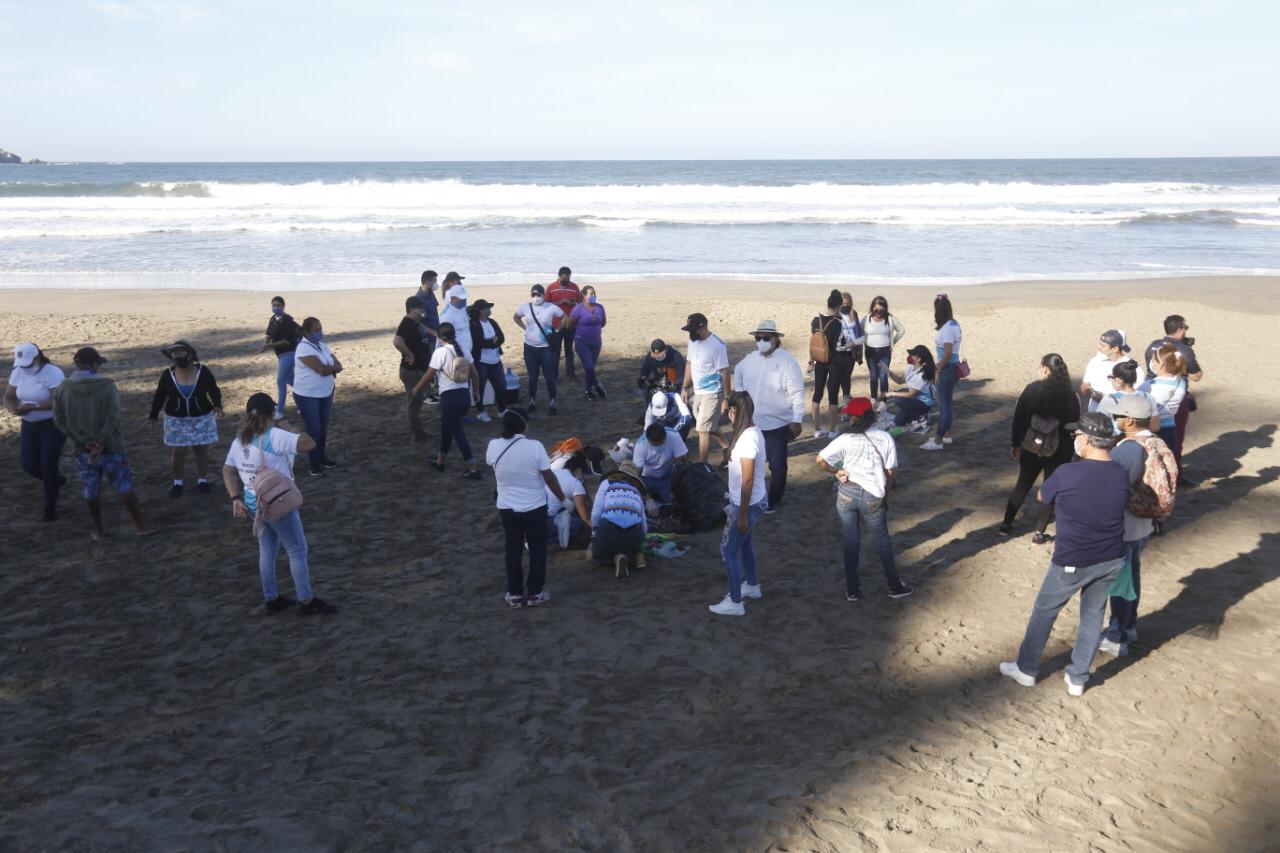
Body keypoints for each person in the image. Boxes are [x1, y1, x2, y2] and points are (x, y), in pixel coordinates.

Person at [999, 411, 1130, 697]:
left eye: (1076, 435)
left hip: (1073, 558)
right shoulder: (1121, 473)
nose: (1074, 439)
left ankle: (1026, 669)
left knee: (1044, 611)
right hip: (1111, 557)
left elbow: (1042, 496)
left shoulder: (1068, 472)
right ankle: (1078, 677)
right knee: (1093, 615)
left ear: (1087, 439)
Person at [221, 392, 336, 616]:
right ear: (271, 413)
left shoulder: (240, 440)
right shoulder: (275, 436)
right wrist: (288, 426)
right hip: (277, 502)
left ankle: (271, 598)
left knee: (267, 550)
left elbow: (228, 470)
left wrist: (235, 498)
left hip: (254, 502)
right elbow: (310, 443)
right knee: (297, 549)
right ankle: (306, 600)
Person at [816, 397, 913, 601]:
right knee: (882, 541)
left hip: (847, 493)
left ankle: (852, 590)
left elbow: (820, 459)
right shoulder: (885, 438)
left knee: (851, 541)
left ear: (853, 418)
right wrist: (887, 498)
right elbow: (890, 473)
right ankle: (894, 586)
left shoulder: (845, 438)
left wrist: (836, 472)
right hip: (873, 496)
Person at [52, 347, 153, 539]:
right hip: (111, 446)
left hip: (82, 450)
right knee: (124, 485)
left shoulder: (63, 387)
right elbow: (112, 416)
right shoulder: (107, 385)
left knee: (91, 490)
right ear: (94, 364)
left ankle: (98, 530)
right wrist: (100, 442)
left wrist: (82, 442)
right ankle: (140, 527)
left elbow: (58, 419)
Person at [1098, 395, 1165, 657]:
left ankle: (1117, 636)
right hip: (1143, 523)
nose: (1114, 420)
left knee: (1121, 583)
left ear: (1128, 420)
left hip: (1124, 526)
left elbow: (1109, 488)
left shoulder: (1126, 451)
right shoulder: (1154, 442)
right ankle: (1129, 626)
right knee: (1132, 576)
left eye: (1117, 416)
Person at [487, 409, 567, 607]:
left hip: (507, 507)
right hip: (535, 506)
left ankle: (514, 593)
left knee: (512, 548)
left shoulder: (493, 446)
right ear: (524, 425)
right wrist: (563, 499)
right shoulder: (535, 446)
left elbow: (494, 467)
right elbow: (549, 478)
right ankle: (535, 593)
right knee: (538, 548)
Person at [999, 354, 1081, 541]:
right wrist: (1071, 451)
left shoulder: (1030, 390)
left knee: (1022, 484)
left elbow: (1019, 419)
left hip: (1031, 446)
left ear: (1045, 369)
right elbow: (1074, 425)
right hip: (1060, 449)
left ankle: (1006, 525)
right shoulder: (1071, 395)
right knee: (1050, 489)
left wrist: (1015, 443)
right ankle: (1039, 532)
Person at [732, 319, 805, 512]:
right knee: (750, 463)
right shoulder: (749, 360)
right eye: (758, 338)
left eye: (765, 338)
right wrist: (740, 396)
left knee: (777, 465)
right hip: (751, 424)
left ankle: (774, 500)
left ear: (775, 339)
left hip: (777, 424)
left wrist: (797, 419)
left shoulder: (788, 362)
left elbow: (797, 392)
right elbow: (737, 371)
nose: (761, 341)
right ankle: (752, 496)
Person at [709, 391, 767, 616]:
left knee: (729, 550)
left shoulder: (748, 439)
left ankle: (735, 602)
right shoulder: (751, 431)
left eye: (729, 411)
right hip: (752, 501)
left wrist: (741, 515)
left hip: (747, 505)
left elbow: (747, 479)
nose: (727, 415)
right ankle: (752, 585)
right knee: (744, 544)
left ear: (735, 410)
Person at [148, 339, 223, 497]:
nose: (177, 356)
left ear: (190, 354)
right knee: (178, 451)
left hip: (202, 417)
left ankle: (202, 480)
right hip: (176, 419)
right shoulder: (168, 374)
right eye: (174, 353)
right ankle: (178, 483)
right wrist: (153, 416)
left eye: (180, 352)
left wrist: (217, 405)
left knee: (201, 449)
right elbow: (159, 396)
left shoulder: (203, 371)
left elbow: (213, 390)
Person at [5, 343, 67, 521]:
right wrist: (13, 408)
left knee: (48, 464)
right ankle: (55, 481)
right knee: (28, 464)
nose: (25, 368)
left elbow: (59, 401)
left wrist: (34, 407)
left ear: (37, 357)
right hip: (29, 424)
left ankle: (50, 507)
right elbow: (9, 396)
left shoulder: (53, 372)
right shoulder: (18, 371)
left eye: (28, 363)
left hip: (53, 424)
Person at [414, 322, 480, 479]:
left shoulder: (440, 352)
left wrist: (417, 388)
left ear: (439, 337)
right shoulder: (462, 349)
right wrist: (476, 392)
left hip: (449, 399)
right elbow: (475, 374)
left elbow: (428, 376)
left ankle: (473, 469)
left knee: (458, 433)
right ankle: (440, 461)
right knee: (446, 427)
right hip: (464, 397)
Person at [1144, 315, 1203, 485]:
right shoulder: (1184, 350)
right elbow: (1197, 376)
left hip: (1151, 393)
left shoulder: (1153, 346)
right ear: (1180, 330)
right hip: (1175, 394)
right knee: (1176, 440)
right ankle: (1174, 476)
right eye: (1185, 328)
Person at [293, 317, 342, 477]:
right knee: (314, 429)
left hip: (326, 392)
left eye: (321, 329)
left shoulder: (322, 346)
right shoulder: (303, 348)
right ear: (307, 332)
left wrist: (331, 368)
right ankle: (314, 464)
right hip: (308, 395)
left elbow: (339, 365)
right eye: (316, 330)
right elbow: (322, 370)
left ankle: (321, 457)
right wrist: (332, 368)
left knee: (323, 428)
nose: (320, 333)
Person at [681, 312, 731, 464]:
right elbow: (689, 364)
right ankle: (728, 448)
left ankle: (702, 465)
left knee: (702, 429)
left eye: (693, 330)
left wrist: (726, 398)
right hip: (697, 392)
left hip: (713, 392)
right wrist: (684, 387)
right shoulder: (693, 341)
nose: (690, 333)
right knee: (706, 425)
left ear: (703, 327)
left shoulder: (717, 345)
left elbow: (725, 372)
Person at [589, 461, 648, 578]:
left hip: (610, 531)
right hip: (634, 536)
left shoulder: (606, 483)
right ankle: (637, 554)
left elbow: (596, 514)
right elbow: (644, 525)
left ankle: (616, 558)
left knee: (597, 554)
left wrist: (595, 532)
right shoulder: (636, 490)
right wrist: (639, 542)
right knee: (629, 540)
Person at [513, 284, 563, 415]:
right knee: (532, 376)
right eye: (533, 294)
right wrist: (525, 328)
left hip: (546, 349)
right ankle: (532, 402)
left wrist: (556, 331)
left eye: (538, 294)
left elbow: (564, 318)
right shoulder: (525, 307)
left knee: (549, 376)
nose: (536, 297)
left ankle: (552, 402)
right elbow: (516, 317)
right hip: (530, 348)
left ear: (543, 295)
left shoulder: (551, 307)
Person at [922, 294, 962, 451]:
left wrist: (938, 370)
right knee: (947, 404)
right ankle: (947, 434)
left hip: (946, 368)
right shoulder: (954, 324)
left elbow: (947, 353)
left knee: (944, 406)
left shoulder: (947, 329)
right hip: (952, 368)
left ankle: (938, 440)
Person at [1140, 345, 1188, 462]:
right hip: (1170, 430)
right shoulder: (1181, 383)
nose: (1151, 363)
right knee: (1167, 463)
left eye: (1153, 360)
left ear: (1161, 365)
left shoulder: (1149, 385)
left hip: (1151, 431)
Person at [393, 296, 431, 441]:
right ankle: (416, 433)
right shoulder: (407, 323)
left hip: (418, 369)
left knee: (418, 400)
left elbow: (424, 331)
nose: (422, 310)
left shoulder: (416, 322)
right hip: (411, 371)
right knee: (414, 402)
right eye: (419, 308)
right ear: (411, 309)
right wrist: (409, 354)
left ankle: (417, 430)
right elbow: (397, 341)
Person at [809, 290, 845, 439]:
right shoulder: (839, 323)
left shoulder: (816, 321)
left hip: (819, 360)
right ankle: (832, 430)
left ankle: (817, 429)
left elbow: (814, 343)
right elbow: (841, 345)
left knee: (817, 395)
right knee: (833, 396)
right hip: (834, 362)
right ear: (839, 306)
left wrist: (811, 361)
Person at [1080, 329, 1143, 414]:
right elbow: (1084, 386)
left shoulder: (1132, 368)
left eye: (1103, 345)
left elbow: (1137, 397)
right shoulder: (1095, 361)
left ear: (1115, 348)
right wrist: (1089, 392)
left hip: (1120, 417)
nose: (1098, 347)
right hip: (1095, 417)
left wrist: (1106, 399)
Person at [260, 296, 300, 420]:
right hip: (282, 355)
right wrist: (265, 344)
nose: (276, 308)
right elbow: (269, 334)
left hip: (289, 354)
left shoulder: (287, 320)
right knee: (292, 381)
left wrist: (268, 346)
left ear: (283, 306)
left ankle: (279, 411)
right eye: (274, 305)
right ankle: (303, 403)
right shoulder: (273, 319)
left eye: (278, 305)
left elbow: (286, 341)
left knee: (281, 381)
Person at [468, 298, 508, 423]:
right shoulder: (474, 324)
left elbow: (501, 337)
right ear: (481, 311)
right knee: (480, 388)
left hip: (495, 360)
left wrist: (493, 342)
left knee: (501, 386)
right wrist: (493, 341)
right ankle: (480, 412)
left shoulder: (492, 322)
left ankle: (502, 410)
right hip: (481, 362)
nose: (490, 310)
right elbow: (478, 343)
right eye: (487, 308)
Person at [862, 295, 906, 401]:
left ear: (885, 309)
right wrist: (862, 342)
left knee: (883, 377)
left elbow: (901, 330)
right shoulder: (867, 318)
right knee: (873, 376)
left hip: (885, 352)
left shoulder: (890, 318)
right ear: (872, 308)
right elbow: (858, 330)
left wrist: (893, 342)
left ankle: (883, 403)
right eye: (876, 310)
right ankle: (873, 399)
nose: (878, 312)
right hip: (870, 352)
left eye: (881, 310)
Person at [1097, 359, 1160, 433]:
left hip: (1121, 439)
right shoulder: (1148, 397)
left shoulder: (1109, 399)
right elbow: (1155, 427)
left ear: (1118, 381)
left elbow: (1099, 426)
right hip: (1144, 438)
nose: (1111, 381)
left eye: (1111, 378)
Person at [567, 284, 607, 400]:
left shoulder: (600, 308)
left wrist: (594, 329)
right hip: (582, 342)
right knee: (588, 366)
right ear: (584, 296)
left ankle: (587, 391)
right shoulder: (578, 308)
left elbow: (603, 322)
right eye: (591, 294)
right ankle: (597, 385)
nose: (593, 296)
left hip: (596, 342)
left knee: (591, 368)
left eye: (594, 294)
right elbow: (569, 325)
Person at [632, 421, 689, 503]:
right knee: (640, 501)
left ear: (665, 436)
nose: (658, 447)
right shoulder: (640, 445)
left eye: (660, 443)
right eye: (654, 445)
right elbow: (637, 475)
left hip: (667, 476)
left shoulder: (673, 435)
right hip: (646, 477)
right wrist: (647, 498)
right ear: (648, 439)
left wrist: (676, 487)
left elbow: (682, 463)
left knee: (673, 501)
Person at [884, 345, 936, 432]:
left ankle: (921, 419)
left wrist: (892, 393)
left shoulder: (922, 375)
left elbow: (911, 394)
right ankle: (919, 416)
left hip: (924, 404)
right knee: (898, 422)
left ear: (919, 359)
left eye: (913, 355)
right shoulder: (910, 367)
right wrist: (887, 371)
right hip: (913, 403)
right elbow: (900, 381)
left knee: (898, 400)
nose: (910, 356)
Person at [546, 452, 592, 549]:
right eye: (583, 474)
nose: (583, 478)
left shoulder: (554, 471)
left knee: (569, 512)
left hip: (530, 517)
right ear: (579, 470)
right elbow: (585, 517)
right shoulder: (575, 483)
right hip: (545, 522)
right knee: (578, 525)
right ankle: (540, 541)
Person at [410, 270, 441, 404]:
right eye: (434, 281)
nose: (436, 283)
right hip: (427, 338)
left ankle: (435, 390)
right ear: (427, 282)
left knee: (436, 364)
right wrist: (432, 332)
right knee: (429, 366)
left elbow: (435, 311)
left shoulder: (430, 293)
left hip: (436, 335)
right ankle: (427, 394)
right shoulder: (418, 300)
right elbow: (418, 321)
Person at [547, 266, 582, 379]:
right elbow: (545, 305)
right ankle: (554, 375)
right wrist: (560, 302)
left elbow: (580, 303)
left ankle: (571, 373)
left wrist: (574, 303)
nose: (567, 281)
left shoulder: (574, 287)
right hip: (556, 324)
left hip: (571, 323)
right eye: (564, 279)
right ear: (559, 276)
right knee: (556, 350)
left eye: (568, 279)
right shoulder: (551, 287)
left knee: (569, 349)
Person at [834, 293, 863, 404]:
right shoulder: (835, 314)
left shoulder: (853, 313)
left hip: (851, 350)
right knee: (839, 375)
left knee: (847, 375)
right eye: (843, 303)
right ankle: (840, 397)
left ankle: (846, 396)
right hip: (838, 350)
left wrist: (860, 353)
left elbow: (858, 332)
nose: (845, 305)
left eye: (847, 303)